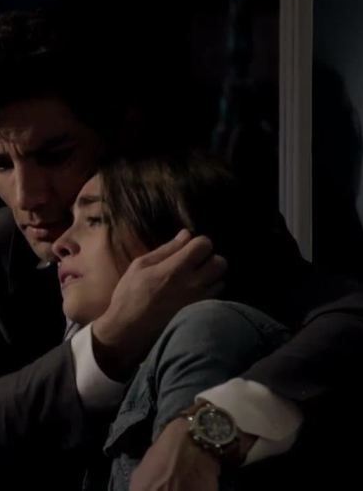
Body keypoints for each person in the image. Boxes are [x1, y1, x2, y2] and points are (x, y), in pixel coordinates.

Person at [0, 9, 363, 490]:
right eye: (0, 164)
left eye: (54, 156)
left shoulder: (190, 213)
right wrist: (110, 341)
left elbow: (353, 320)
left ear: (118, 135)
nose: (26, 196)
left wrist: (211, 427)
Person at [53, 151, 298, 489]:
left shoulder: (205, 328)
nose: (61, 244)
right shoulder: (133, 367)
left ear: (178, 242)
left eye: (95, 219)